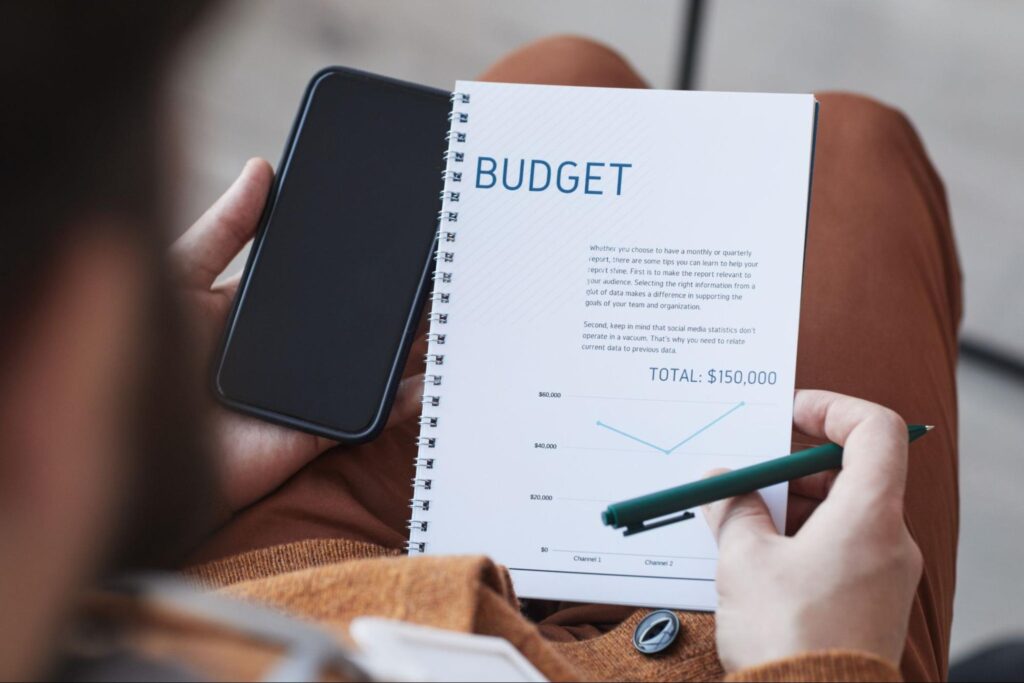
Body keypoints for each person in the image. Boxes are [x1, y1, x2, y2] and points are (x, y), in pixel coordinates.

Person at [0, 4, 960, 681]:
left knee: (571, 73)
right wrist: (821, 664)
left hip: (245, 589)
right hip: (739, 649)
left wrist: (131, 488)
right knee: (858, 148)